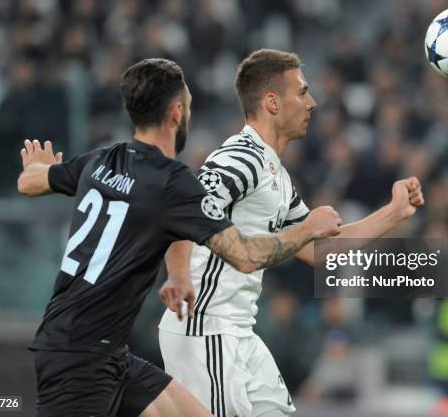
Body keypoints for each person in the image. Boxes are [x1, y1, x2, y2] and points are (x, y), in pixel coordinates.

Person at [17, 58, 341, 417]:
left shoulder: (103, 159)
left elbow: (30, 182)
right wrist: (308, 229)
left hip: (106, 352)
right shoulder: (172, 182)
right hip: (79, 362)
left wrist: (36, 167)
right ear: (176, 113)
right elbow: (246, 255)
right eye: (188, 106)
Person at [158, 49, 424, 417]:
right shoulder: (238, 157)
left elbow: (319, 251)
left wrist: (395, 213)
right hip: (206, 327)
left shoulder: (275, 174)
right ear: (271, 102)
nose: (312, 103)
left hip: (239, 330)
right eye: (302, 92)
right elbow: (182, 209)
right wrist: (178, 273)